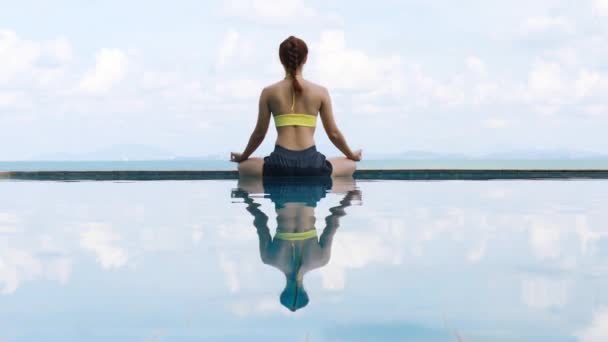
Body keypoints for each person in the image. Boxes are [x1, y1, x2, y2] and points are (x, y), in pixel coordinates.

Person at [230, 35, 362, 177]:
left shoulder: (268, 92)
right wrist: (351, 155)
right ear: (305, 59)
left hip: (278, 165)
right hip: (312, 165)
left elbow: (259, 134)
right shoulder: (321, 92)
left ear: (281, 60)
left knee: (243, 166)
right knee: (350, 164)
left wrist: (243, 156)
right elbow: (333, 134)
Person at [232, 176, 361, 311]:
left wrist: (350, 197)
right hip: (281, 192)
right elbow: (260, 219)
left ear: (305, 291)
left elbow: (333, 220)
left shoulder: (321, 260)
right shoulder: (268, 258)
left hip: (311, 192)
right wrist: (244, 197)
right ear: (283, 291)